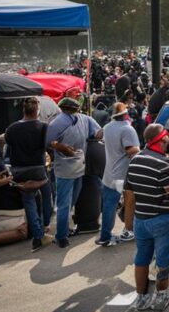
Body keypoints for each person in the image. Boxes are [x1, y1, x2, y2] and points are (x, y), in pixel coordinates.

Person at [126, 123, 169, 311]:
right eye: (167, 138)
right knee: (163, 260)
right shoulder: (167, 163)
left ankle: (141, 298)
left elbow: (129, 193)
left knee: (142, 258)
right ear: (161, 140)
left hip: (141, 220)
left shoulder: (135, 159)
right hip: (163, 219)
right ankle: (161, 295)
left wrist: (129, 221)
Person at [46, 95, 102, 248]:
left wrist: (58, 147)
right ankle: (64, 230)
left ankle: (61, 236)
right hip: (80, 165)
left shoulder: (56, 122)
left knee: (63, 204)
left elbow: (48, 143)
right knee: (71, 201)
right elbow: (99, 134)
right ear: (76, 108)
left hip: (64, 168)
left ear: (62, 108)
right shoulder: (86, 119)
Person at [4, 97, 50, 251]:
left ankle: (38, 235)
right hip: (38, 168)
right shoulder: (43, 127)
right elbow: (47, 146)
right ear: (37, 111)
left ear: (23, 110)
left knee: (29, 201)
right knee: (46, 197)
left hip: (19, 170)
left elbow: (8, 146)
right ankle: (42, 231)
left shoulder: (11, 128)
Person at [98, 102, 139, 247]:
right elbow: (130, 150)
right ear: (125, 114)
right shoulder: (127, 129)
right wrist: (141, 151)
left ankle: (105, 236)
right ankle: (128, 231)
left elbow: (98, 135)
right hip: (123, 174)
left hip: (109, 173)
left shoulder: (107, 127)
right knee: (129, 203)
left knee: (109, 206)